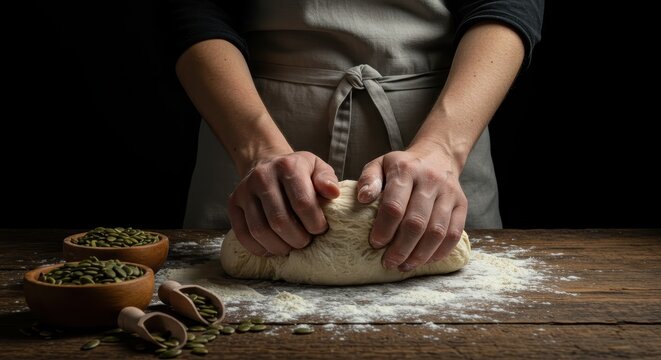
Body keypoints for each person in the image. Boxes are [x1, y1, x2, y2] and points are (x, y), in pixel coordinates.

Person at [168, 0, 544, 272]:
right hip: (252, 122)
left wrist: (443, 149)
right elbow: (193, 9)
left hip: (449, 122)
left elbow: (507, 3)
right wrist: (257, 151)